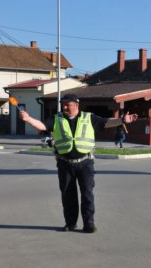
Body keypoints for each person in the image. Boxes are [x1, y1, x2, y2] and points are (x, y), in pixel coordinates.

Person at [18, 93, 137, 233]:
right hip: (64, 163)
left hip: (85, 162)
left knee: (87, 194)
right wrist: (28, 119)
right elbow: (43, 126)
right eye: (63, 105)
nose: (65, 107)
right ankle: (70, 223)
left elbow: (106, 122)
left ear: (76, 105)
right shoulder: (57, 119)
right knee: (68, 195)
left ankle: (89, 224)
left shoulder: (88, 118)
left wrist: (122, 120)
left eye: (68, 105)